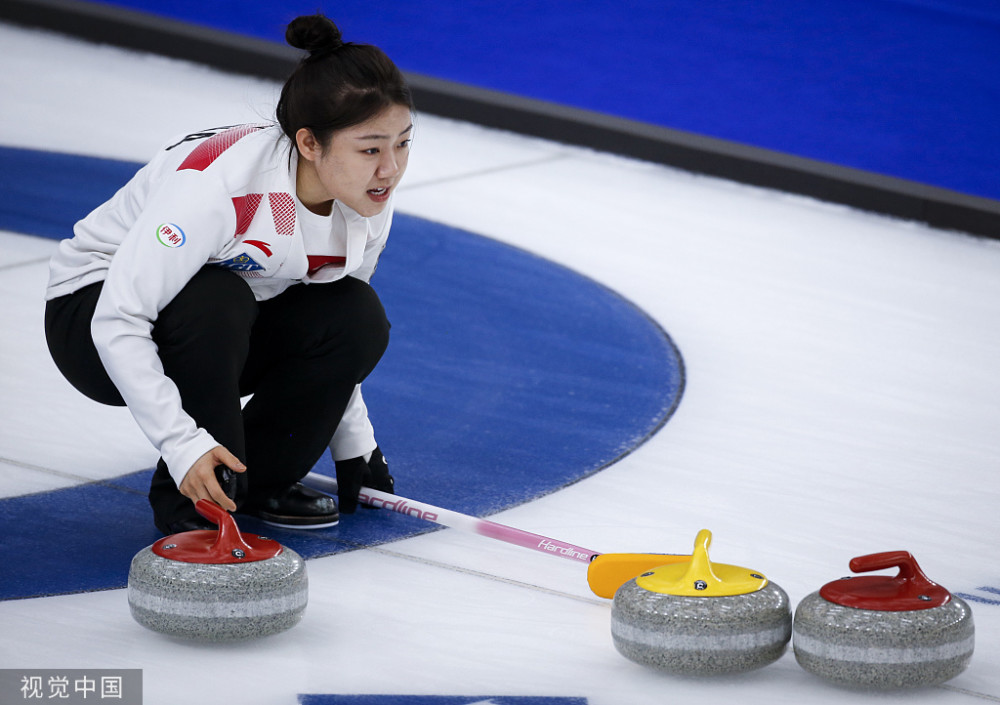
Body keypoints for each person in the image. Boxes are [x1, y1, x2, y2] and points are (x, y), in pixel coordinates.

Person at [43, 13, 408, 534]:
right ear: (309, 144)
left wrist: (356, 446)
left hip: (220, 322)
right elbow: (117, 319)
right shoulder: (218, 187)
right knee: (217, 296)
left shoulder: (365, 197)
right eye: (371, 148)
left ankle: (251, 485)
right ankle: (193, 510)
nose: (390, 169)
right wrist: (181, 443)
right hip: (93, 318)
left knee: (355, 313)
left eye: (403, 143)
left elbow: (336, 328)